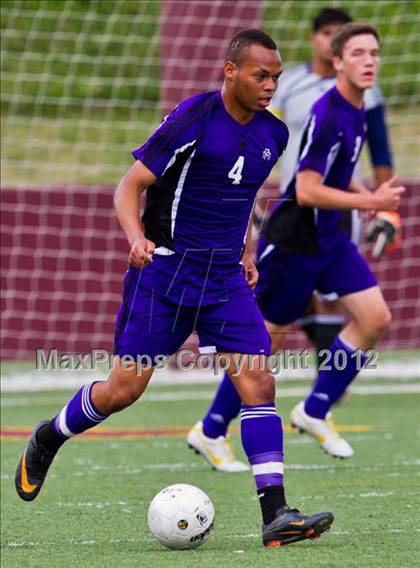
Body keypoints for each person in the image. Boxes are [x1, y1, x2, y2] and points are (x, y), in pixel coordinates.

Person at [15, 29, 334, 548]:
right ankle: (50, 434)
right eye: (261, 75)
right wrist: (135, 237)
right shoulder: (194, 116)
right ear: (230, 71)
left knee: (259, 382)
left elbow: (239, 195)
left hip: (225, 280)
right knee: (124, 390)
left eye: (276, 76)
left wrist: (247, 250)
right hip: (165, 275)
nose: (271, 85)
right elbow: (130, 185)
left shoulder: (272, 135)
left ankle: (276, 515)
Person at [188, 9, 395, 470]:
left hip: (331, 237)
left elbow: (340, 174)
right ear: (335, 61)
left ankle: (315, 409)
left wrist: (372, 198)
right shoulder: (328, 112)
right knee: (265, 342)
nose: (369, 61)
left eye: (374, 53)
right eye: (358, 53)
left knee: (375, 318)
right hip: (296, 237)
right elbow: (305, 188)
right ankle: (211, 428)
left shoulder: (360, 107)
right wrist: (368, 203)